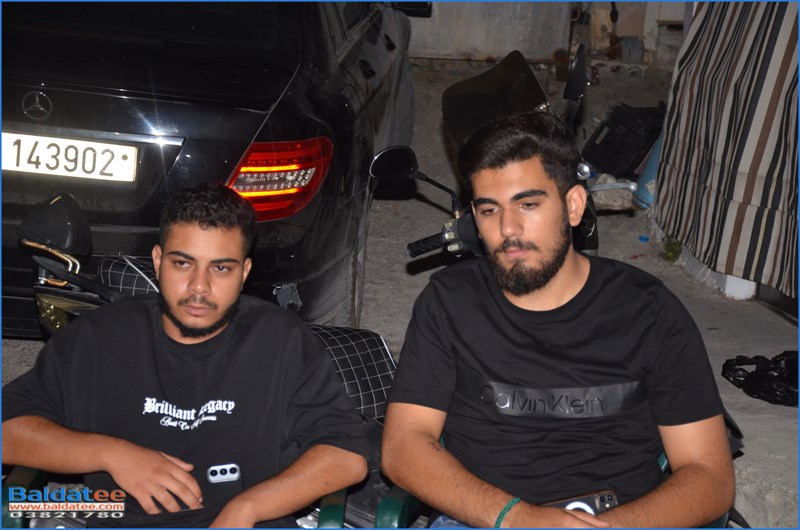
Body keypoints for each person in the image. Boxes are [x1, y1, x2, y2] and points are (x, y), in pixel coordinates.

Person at [381, 111, 734, 528]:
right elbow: (403, 445)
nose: (508, 229)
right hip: (487, 519)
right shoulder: (449, 303)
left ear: (573, 205)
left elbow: (709, 474)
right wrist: (517, 518)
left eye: (528, 204)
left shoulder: (648, 312)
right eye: (489, 210)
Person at [2, 183, 368, 528]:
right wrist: (109, 453)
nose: (199, 287)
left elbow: (347, 455)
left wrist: (247, 508)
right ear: (158, 261)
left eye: (221, 268)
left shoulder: (280, 340)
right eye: (182, 263)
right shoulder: (98, 338)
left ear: (244, 273)